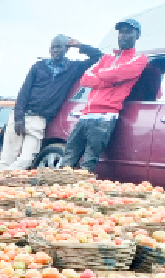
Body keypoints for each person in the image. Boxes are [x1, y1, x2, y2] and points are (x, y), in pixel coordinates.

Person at [0, 36, 102, 172]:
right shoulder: (38, 67)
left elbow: (98, 57)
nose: (55, 50)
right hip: (21, 116)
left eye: (59, 47)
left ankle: (5, 179)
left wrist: (79, 45)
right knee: (7, 158)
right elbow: (23, 93)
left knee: (27, 159)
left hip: (39, 120)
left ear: (66, 49)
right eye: (53, 47)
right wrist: (18, 118)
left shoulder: (72, 68)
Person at [61, 19, 147, 173]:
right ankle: (58, 192)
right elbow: (85, 78)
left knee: (88, 161)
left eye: (128, 32)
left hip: (105, 116)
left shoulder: (139, 59)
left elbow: (120, 72)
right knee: (68, 157)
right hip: (85, 114)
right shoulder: (106, 58)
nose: (123, 36)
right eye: (121, 32)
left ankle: (77, 195)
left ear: (137, 35)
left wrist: (100, 76)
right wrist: (109, 81)